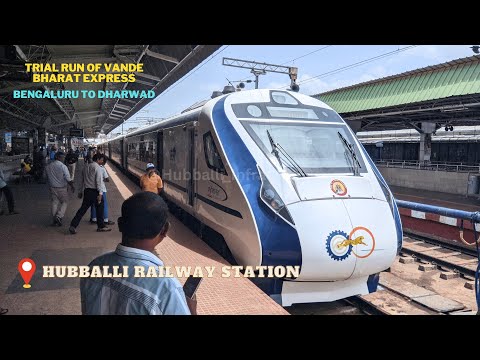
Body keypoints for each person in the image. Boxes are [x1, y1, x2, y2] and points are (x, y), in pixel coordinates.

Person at [80, 192, 196, 315]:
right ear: (165, 230)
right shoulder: (166, 289)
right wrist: (192, 311)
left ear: (120, 224)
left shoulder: (93, 267)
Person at [69, 153, 112, 234]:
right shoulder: (97, 168)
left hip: (87, 191)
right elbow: (98, 182)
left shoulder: (85, 167)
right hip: (95, 192)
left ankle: (73, 225)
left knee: (82, 210)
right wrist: (100, 194)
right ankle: (101, 226)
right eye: (102, 160)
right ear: (98, 159)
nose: (102, 161)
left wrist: (80, 191)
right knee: (100, 209)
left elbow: (81, 180)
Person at [45, 151, 75, 226]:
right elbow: (68, 178)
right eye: (62, 157)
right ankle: (59, 216)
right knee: (65, 202)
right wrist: (72, 186)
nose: (64, 158)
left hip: (52, 187)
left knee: (54, 202)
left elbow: (46, 176)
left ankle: (54, 219)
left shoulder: (48, 166)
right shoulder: (63, 166)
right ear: (58, 157)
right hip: (62, 188)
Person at [89, 156, 115, 226]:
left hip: (92, 188)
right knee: (104, 205)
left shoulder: (88, 166)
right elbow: (107, 179)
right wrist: (102, 179)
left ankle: (94, 218)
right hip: (101, 189)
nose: (102, 161)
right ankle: (105, 219)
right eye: (102, 160)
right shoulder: (101, 168)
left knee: (94, 204)